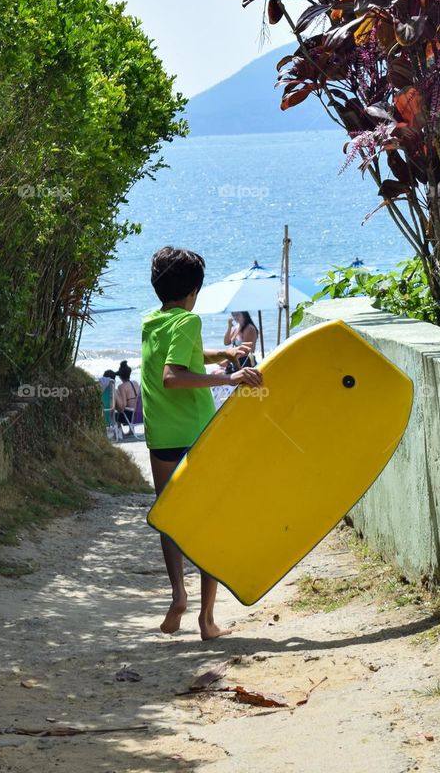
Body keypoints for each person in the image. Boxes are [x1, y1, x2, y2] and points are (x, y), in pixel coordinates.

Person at [141, 246, 263, 640]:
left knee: (169, 519)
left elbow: (184, 355)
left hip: (161, 435)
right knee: (209, 518)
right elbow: (173, 376)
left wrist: (224, 351)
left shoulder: (151, 321)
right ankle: (207, 620)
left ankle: (178, 595)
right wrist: (228, 378)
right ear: (194, 290)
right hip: (195, 432)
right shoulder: (189, 321)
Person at [114, 360, 140, 439]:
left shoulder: (121, 387)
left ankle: (120, 433)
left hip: (130, 415)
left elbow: (123, 405)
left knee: (116, 413)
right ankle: (131, 431)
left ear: (120, 376)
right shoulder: (135, 382)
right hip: (139, 413)